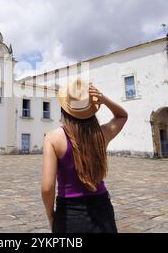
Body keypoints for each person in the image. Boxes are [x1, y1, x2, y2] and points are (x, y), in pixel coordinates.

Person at [41, 78, 128, 233]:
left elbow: (47, 188)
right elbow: (122, 116)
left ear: (64, 109)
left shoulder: (52, 138)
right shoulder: (102, 134)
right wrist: (103, 99)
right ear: (90, 109)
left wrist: (51, 215)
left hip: (69, 212)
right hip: (102, 208)